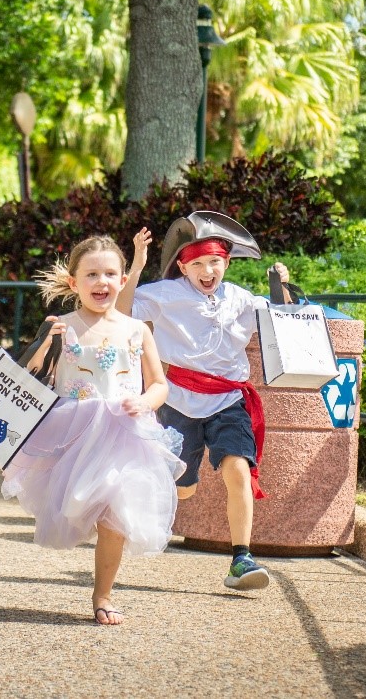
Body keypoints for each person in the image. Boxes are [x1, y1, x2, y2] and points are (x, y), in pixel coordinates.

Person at [3, 235, 182, 626]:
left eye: (110, 274)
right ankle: (98, 575)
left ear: (123, 280)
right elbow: (29, 377)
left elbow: (159, 384)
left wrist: (146, 402)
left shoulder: (137, 329)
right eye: (92, 274)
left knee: (115, 519)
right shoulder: (61, 326)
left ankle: (102, 595)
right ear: (74, 283)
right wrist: (42, 344)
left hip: (125, 433)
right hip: (74, 430)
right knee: (80, 507)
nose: (102, 282)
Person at [119, 211, 288, 593]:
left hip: (229, 399)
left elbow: (284, 315)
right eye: (197, 263)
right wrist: (138, 265)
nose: (208, 270)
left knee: (238, 470)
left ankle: (242, 559)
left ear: (226, 262)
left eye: (215, 262)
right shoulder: (164, 294)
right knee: (182, 487)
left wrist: (283, 287)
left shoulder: (242, 299)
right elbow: (123, 311)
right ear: (183, 265)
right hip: (179, 401)